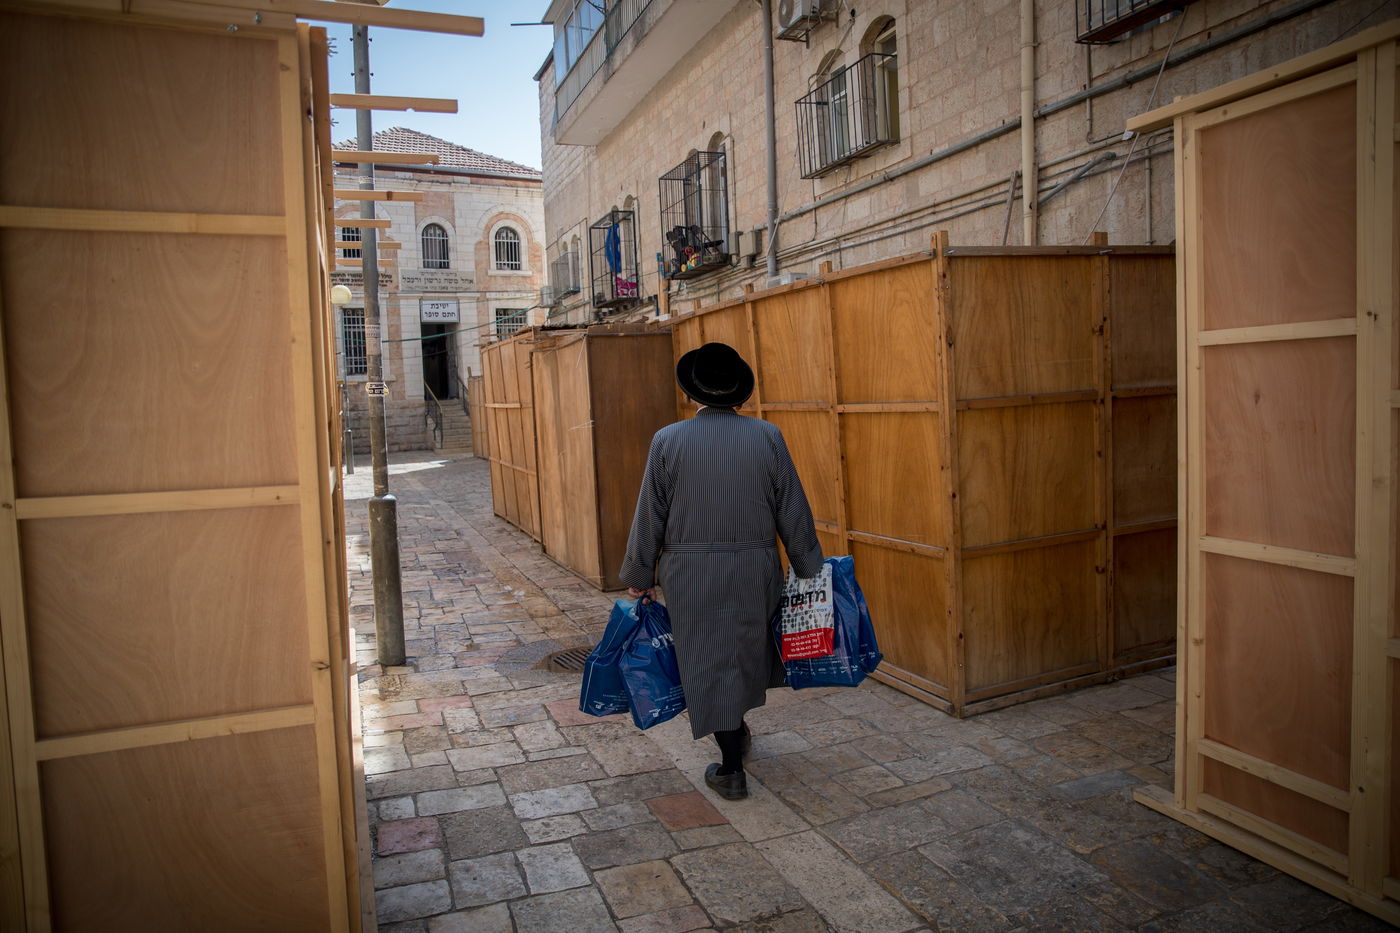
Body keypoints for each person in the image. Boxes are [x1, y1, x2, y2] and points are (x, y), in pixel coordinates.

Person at [619, 342, 823, 800]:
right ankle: (737, 735)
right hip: (755, 567)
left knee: (707, 659)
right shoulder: (768, 436)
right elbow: (792, 507)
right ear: (738, 393)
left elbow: (650, 512)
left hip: (690, 573)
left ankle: (731, 766)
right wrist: (809, 566)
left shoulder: (668, 440)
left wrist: (640, 573)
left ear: (693, 393)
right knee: (744, 651)